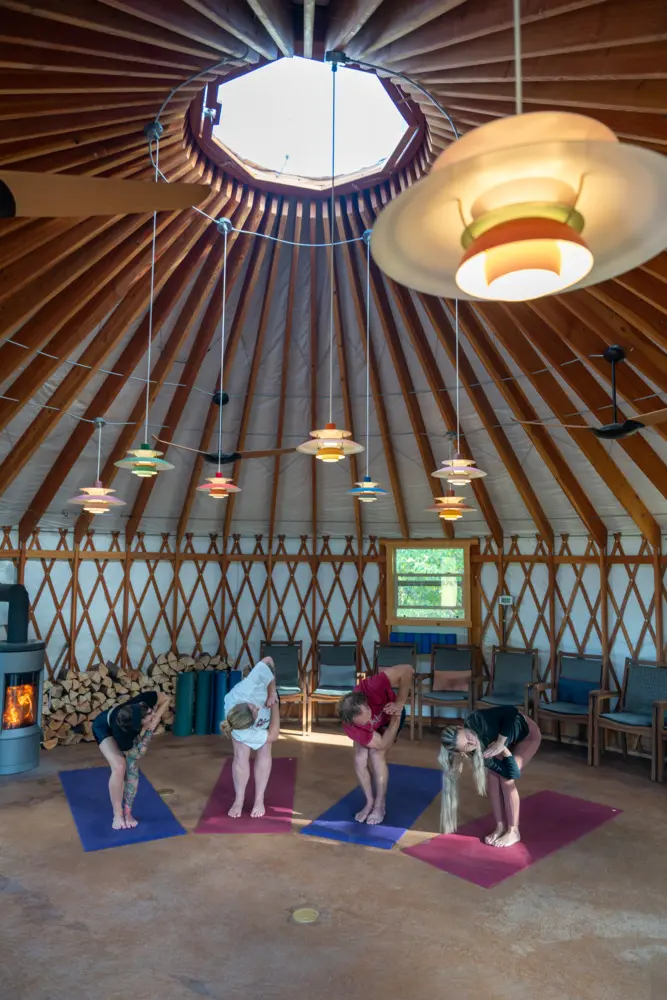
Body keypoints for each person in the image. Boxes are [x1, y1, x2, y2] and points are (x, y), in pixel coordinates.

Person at [438, 704, 541, 847]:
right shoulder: (476, 752)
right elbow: (502, 768)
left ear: (460, 728)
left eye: (468, 736)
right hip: (507, 742)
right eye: (467, 745)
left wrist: (501, 745)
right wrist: (503, 748)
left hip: (528, 735)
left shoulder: (479, 720)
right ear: (463, 752)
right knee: (493, 776)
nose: (472, 742)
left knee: (506, 780)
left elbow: (511, 710)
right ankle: (499, 827)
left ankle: (513, 831)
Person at [337, 664, 414, 826]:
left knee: (376, 754)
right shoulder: (350, 724)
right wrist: (369, 728)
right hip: (377, 731)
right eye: (363, 723)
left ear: (366, 704)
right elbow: (379, 741)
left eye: (368, 717)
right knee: (359, 759)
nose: (369, 724)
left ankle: (380, 805)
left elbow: (408, 669)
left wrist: (399, 705)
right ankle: (369, 802)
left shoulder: (373, 685)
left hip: (392, 715)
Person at [92, 690, 170, 830]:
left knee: (131, 769)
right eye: (149, 717)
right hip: (103, 727)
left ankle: (128, 813)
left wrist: (155, 718)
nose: (153, 715)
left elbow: (166, 699)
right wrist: (149, 731)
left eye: (151, 711)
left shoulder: (145, 701)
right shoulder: (124, 736)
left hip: (123, 721)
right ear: (138, 725)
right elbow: (138, 754)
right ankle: (118, 814)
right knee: (120, 766)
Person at [221, 655, 280, 819]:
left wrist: (272, 693)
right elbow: (273, 735)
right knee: (240, 753)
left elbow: (269, 660)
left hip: (265, 697)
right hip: (247, 721)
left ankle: (259, 799)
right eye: (255, 711)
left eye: (252, 708)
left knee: (264, 749)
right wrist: (272, 707)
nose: (256, 708)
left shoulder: (247, 687)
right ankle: (239, 799)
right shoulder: (239, 727)